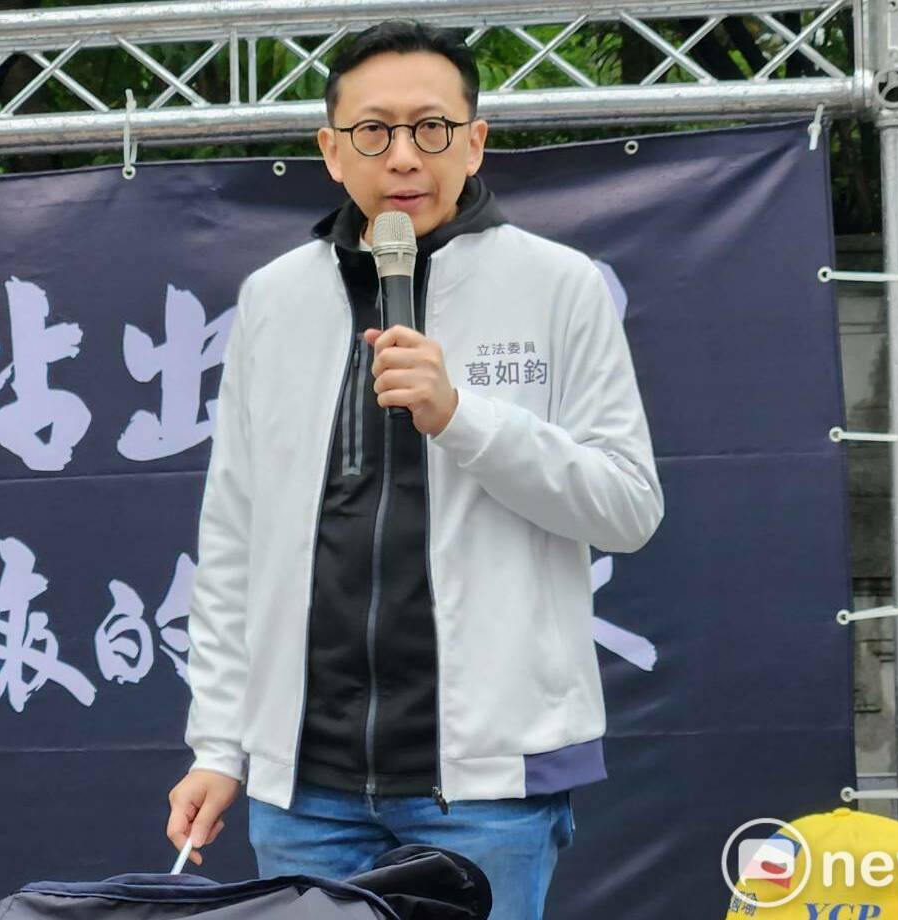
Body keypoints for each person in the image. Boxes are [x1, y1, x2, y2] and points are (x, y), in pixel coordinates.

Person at [165, 20, 665, 919]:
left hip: (487, 786)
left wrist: (462, 417)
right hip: (302, 789)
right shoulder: (273, 299)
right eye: (373, 130)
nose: (403, 155)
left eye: (431, 127)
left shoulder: (558, 285)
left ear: (474, 142)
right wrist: (219, 747)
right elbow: (233, 538)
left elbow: (627, 507)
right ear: (330, 151)